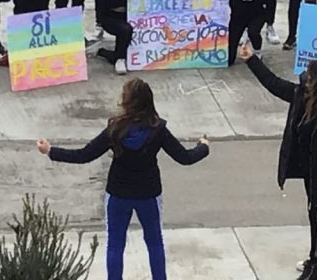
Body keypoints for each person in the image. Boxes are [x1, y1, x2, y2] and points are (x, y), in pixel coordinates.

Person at [37, 78, 209, 280]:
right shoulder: (158, 129)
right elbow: (185, 158)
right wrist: (204, 147)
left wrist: (50, 151)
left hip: (118, 194)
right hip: (149, 194)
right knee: (154, 243)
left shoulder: (115, 129)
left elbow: (84, 155)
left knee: (115, 245)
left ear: (127, 102)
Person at [239, 46, 317, 279]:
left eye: (310, 77)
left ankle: (316, 264)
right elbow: (273, 83)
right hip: (308, 166)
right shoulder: (300, 94)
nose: (305, 79)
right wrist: (251, 60)